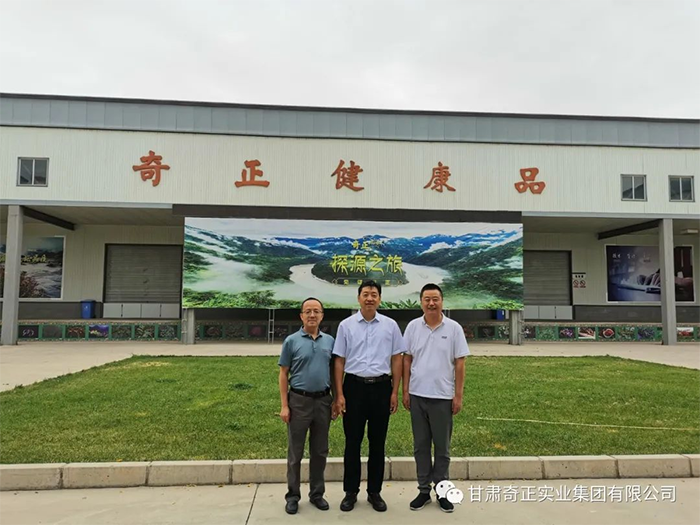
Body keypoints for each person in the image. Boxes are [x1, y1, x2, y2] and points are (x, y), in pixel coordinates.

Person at [332, 280, 404, 512]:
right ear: (358, 298)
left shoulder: (390, 326)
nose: (370, 298)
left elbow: (397, 358)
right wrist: (339, 394)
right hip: (353, 387)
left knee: (377, 443)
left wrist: (394, 391)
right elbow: (339, 360)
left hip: (381, 388)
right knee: (352, 442)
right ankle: (350, 492)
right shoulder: (346, 325)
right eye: (365, 294)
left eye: (374, 294)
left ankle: (374, 492)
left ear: (379, 299)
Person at [402, 283, 470, 513]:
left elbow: (460, 363)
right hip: (418, 395)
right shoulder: (413, 327)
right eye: (427, 299)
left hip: (442, 397)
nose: (431, 303)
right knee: (421, 446)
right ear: (421, 302)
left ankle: (442, 491)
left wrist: (457, 395)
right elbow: (407, 359)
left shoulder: (453, 328)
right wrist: (405, 391)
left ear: (442, 301)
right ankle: (423, 490)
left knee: (442, 448)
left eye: (435, 299)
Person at [278, 297, 335, 515]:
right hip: (298, 402)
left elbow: (334, 372)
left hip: (323, 401)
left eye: (316, 311)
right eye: (308, 311)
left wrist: (337, 399)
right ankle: (293, 496)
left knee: (320, 451)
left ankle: (317, 494)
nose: (312, 315)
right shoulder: (291, 341)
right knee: (296, 453)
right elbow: (283, 373)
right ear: (301, 316)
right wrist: (285, 405)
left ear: (322, 315)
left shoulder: (330, 341)